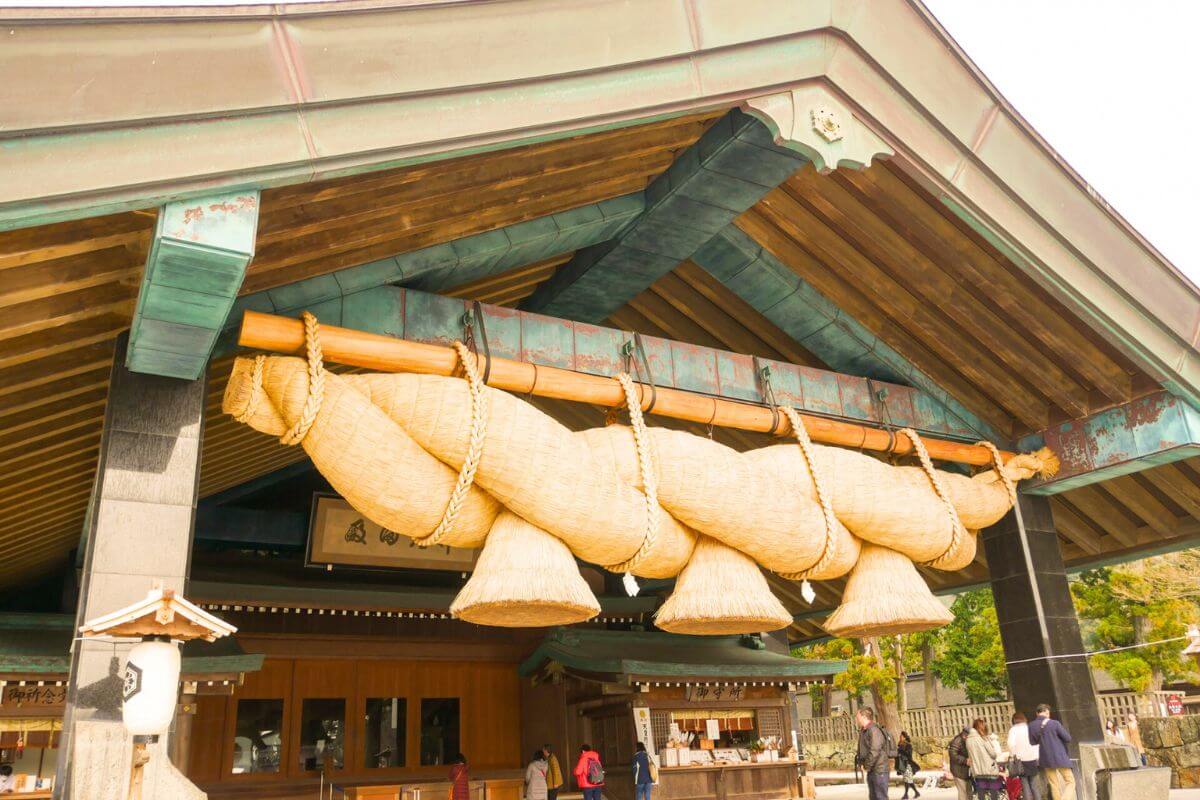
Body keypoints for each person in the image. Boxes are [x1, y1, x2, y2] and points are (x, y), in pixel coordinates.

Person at [1027, 704, 1074, 800]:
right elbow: (1068, 738)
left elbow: (1032, 743)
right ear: (1047, 712)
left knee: (1053, 784)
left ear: (1037, 713)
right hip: (1060, 756)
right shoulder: (1054, 723)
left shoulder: (1031, 725)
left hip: (1045, 758)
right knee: (1070, 781)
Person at [854, 707, 890, 800]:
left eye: (857, 716)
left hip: (879, 770)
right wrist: (861, 763)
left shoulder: (873, 730)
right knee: (874, 797)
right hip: (872, 770)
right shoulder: (864, 730)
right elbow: (863, 750)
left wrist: (866, 765)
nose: (856, 718)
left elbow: (875, 750)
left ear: (864, 717)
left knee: (880, 797)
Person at [966, 719, 1003, 800]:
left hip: (977, 770)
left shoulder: (968, 739)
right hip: (989, 769)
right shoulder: (983, 738)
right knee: (993, 791)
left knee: (981, 792)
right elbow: (993, 754)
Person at [1007, 712, 1039, 800]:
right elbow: (1036, 744)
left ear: (1014, 720)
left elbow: (1010, 744)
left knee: (1025, 784)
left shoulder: (1013, 730)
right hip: (1032, 759)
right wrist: (1037, 757)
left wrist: (1012, 755)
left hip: (1021, 760)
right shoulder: (1030, 728)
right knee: (1034, 784)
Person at [948, 726, 974, 800]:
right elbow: (953, 755)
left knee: (969, 792)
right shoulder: (957, 741)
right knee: (963, 793)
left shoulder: (965, 740)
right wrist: (965, 760)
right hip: (958, 771)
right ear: (964, 735)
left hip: (966, 771)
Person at [897, 731, 921, 799]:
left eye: (901, 737)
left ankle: (906, 794)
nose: (900, 738)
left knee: (907, 779)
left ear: (904, 737)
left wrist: (901, 751)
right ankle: (916, 792)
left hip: (908, 764)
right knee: (908, 780)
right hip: (902, 764)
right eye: (900, 737)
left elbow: (909, 755)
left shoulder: (908, 745)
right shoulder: (900, 744)